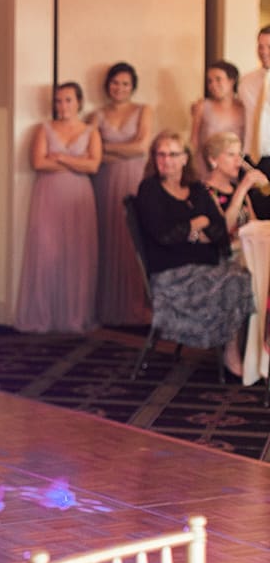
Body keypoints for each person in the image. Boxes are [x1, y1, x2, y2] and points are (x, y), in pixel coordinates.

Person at [135, 130, 253, 376]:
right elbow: (163, 236)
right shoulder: (150, 190)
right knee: (237, 280)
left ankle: (246, 353)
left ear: (185, 158)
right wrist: (196, 224)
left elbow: (220, 230)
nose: (166, 160)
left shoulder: (197, 189)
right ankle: (231, 354)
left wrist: (194, 232)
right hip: (172, 275)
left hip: (204, 266)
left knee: (251, 276)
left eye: (173, 154)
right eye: (161, 154)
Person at [15, 82, 102, 333]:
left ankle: (75, 316)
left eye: (68, 100)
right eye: (58, 101)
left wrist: (62, 158)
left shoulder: (90, 131)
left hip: (79, 197)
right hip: (49, 195)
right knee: (46, 251)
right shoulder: (44, 128)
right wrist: (78, 162)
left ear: (79, 102)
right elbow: (38, 163)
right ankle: (43, 315)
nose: (62, 106)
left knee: (77, 253)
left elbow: (93, 166)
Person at [87, 61, 153, 327]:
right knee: (105, 236)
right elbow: (90, 150)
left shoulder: (143, 110)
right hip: (103, 180)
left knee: (131, 237)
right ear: (107, 85)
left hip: (133, 178)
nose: (120, 88)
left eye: (125, 83)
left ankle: (134, 303)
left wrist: (108, 149)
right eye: (115, 83)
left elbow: (141, 147)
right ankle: (107, 305)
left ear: (133, 87)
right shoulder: (96, 115)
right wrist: (115, 150)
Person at [201, 131, 268, 251]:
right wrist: (243, 188)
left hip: (246, 253)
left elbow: (253, 225)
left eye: (240, 155)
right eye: (231, 155)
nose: (239, 161)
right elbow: (222, 230)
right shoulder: (205, 192)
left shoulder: (236, 188)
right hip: (223, 259)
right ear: (213, 160)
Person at [239, 25, 270, 216]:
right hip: (254, 159)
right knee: (257, 216)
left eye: (269, 46)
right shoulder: (246, 82)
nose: (264, 52)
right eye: (260, 46)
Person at [189, 60, 245, 157]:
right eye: (210, 81)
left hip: (234, 165)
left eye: (218, 79)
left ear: (232, 81)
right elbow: (193, 141)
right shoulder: (203, 106)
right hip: (205, 165)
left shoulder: (243, 108)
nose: (213, 85)